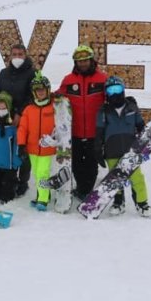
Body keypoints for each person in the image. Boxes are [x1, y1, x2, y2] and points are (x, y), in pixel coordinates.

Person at [94, 76, 151, 217]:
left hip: (131, 151)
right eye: (111, 90)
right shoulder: (104, 111)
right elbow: (99, 132)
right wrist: (97, 149)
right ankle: (118, 203)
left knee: (137, 178)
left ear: (123, 90)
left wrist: (150, 142)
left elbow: (141, 127)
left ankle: (142, 203)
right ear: (106, 93)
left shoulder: (131, 107)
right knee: (115, 180)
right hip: (111, 150)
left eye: (118, 89)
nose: (115, 93)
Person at [57, 45, 108, 200]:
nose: (83, 64)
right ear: (75, 62)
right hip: (74, 131)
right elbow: (58, 98)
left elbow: (112, 98)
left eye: (85, 60)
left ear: (91, 60)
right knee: (77, 163)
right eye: (79, 61)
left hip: (95, 131)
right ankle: (80, 188)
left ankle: (87, 189)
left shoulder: (102, 78)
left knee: (92, 163)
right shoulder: (68, 80)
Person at [0, 44, 37, 196]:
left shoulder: (33, 73)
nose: (17, 57)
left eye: (20, 54)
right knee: (7, 149)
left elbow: (33, 96)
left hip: (24, 118)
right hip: (4, 117)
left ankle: (23, 181)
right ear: (10, 56)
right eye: (14, 54)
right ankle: (8, 180)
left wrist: (19, 112)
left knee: (22, 150)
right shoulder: (4, 73)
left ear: (25, 55)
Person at [17, 73, 57, 211]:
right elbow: (22, 128)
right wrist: (21, 144)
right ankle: (44, 193)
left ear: (48, 90)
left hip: (47, 148)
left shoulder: (54, 107)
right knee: (36, 173)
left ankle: (43, 199)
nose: (40, 93)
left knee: (42, 172)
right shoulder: (29, 109)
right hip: (32, 147)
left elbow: (60, 126)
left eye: (42, 90)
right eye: (37, 90)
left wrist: (56, 139)